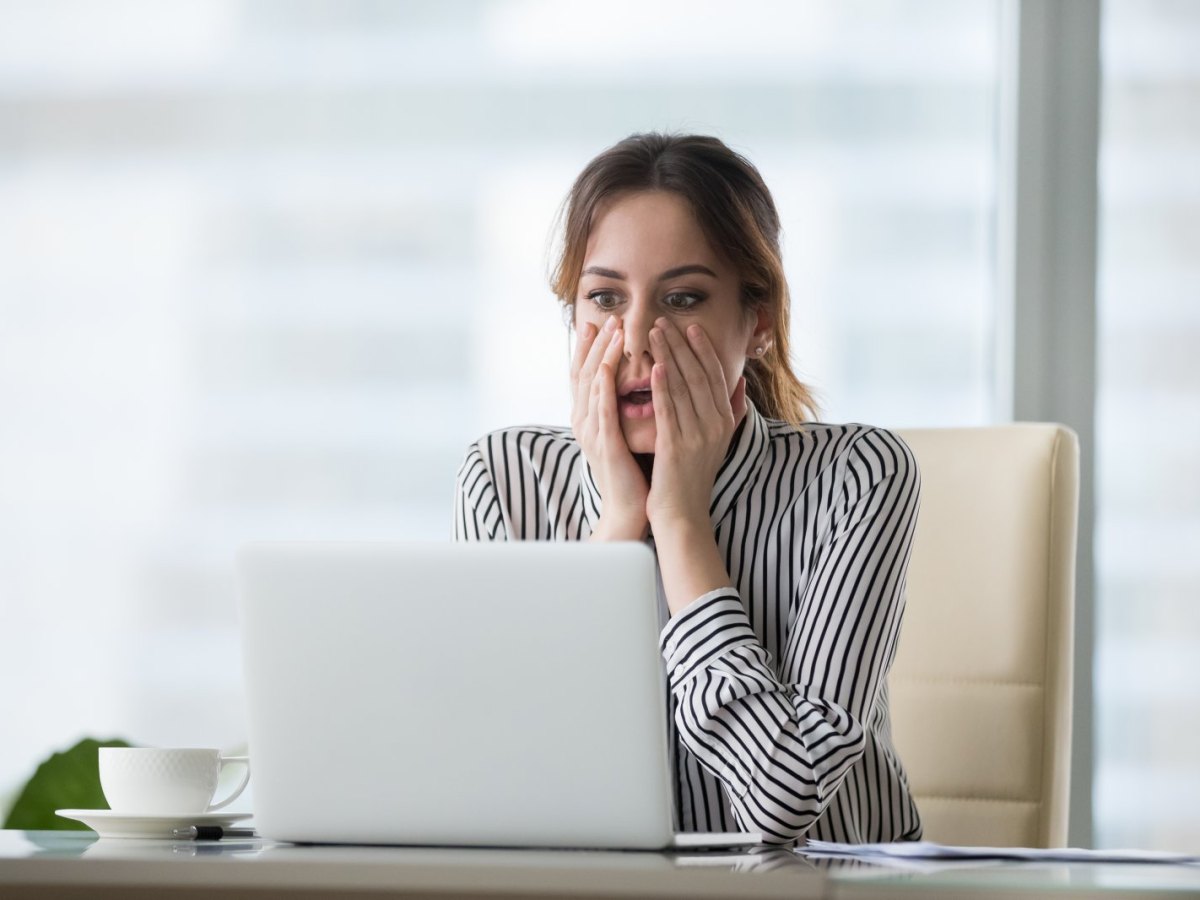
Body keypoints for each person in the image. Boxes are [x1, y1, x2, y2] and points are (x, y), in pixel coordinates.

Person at [454, 133, 922, 846]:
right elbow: (500, 784)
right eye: (604, 297)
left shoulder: (857, 475)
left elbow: (783, 800)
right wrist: (615, 528)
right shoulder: (506, 479)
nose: (636, 337)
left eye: (681, 298)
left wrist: (678, 523)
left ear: (757, 322)